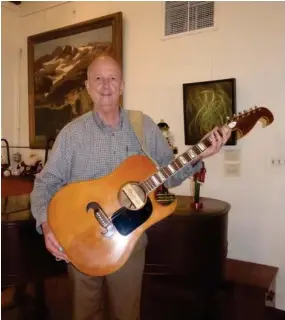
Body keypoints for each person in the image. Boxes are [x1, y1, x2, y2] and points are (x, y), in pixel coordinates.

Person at [30, 54, 231, 320]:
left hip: (128, 243)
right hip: (81, 241)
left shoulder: (143, 126)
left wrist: (199, 155)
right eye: (98, 79)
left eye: (112, 78)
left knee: (127, 314)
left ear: (122, 85)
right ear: (88, 87)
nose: (105, 85)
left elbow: (168, 174)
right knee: (84, 315)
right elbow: (46, 182)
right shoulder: (71, 134)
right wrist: (45, 224)